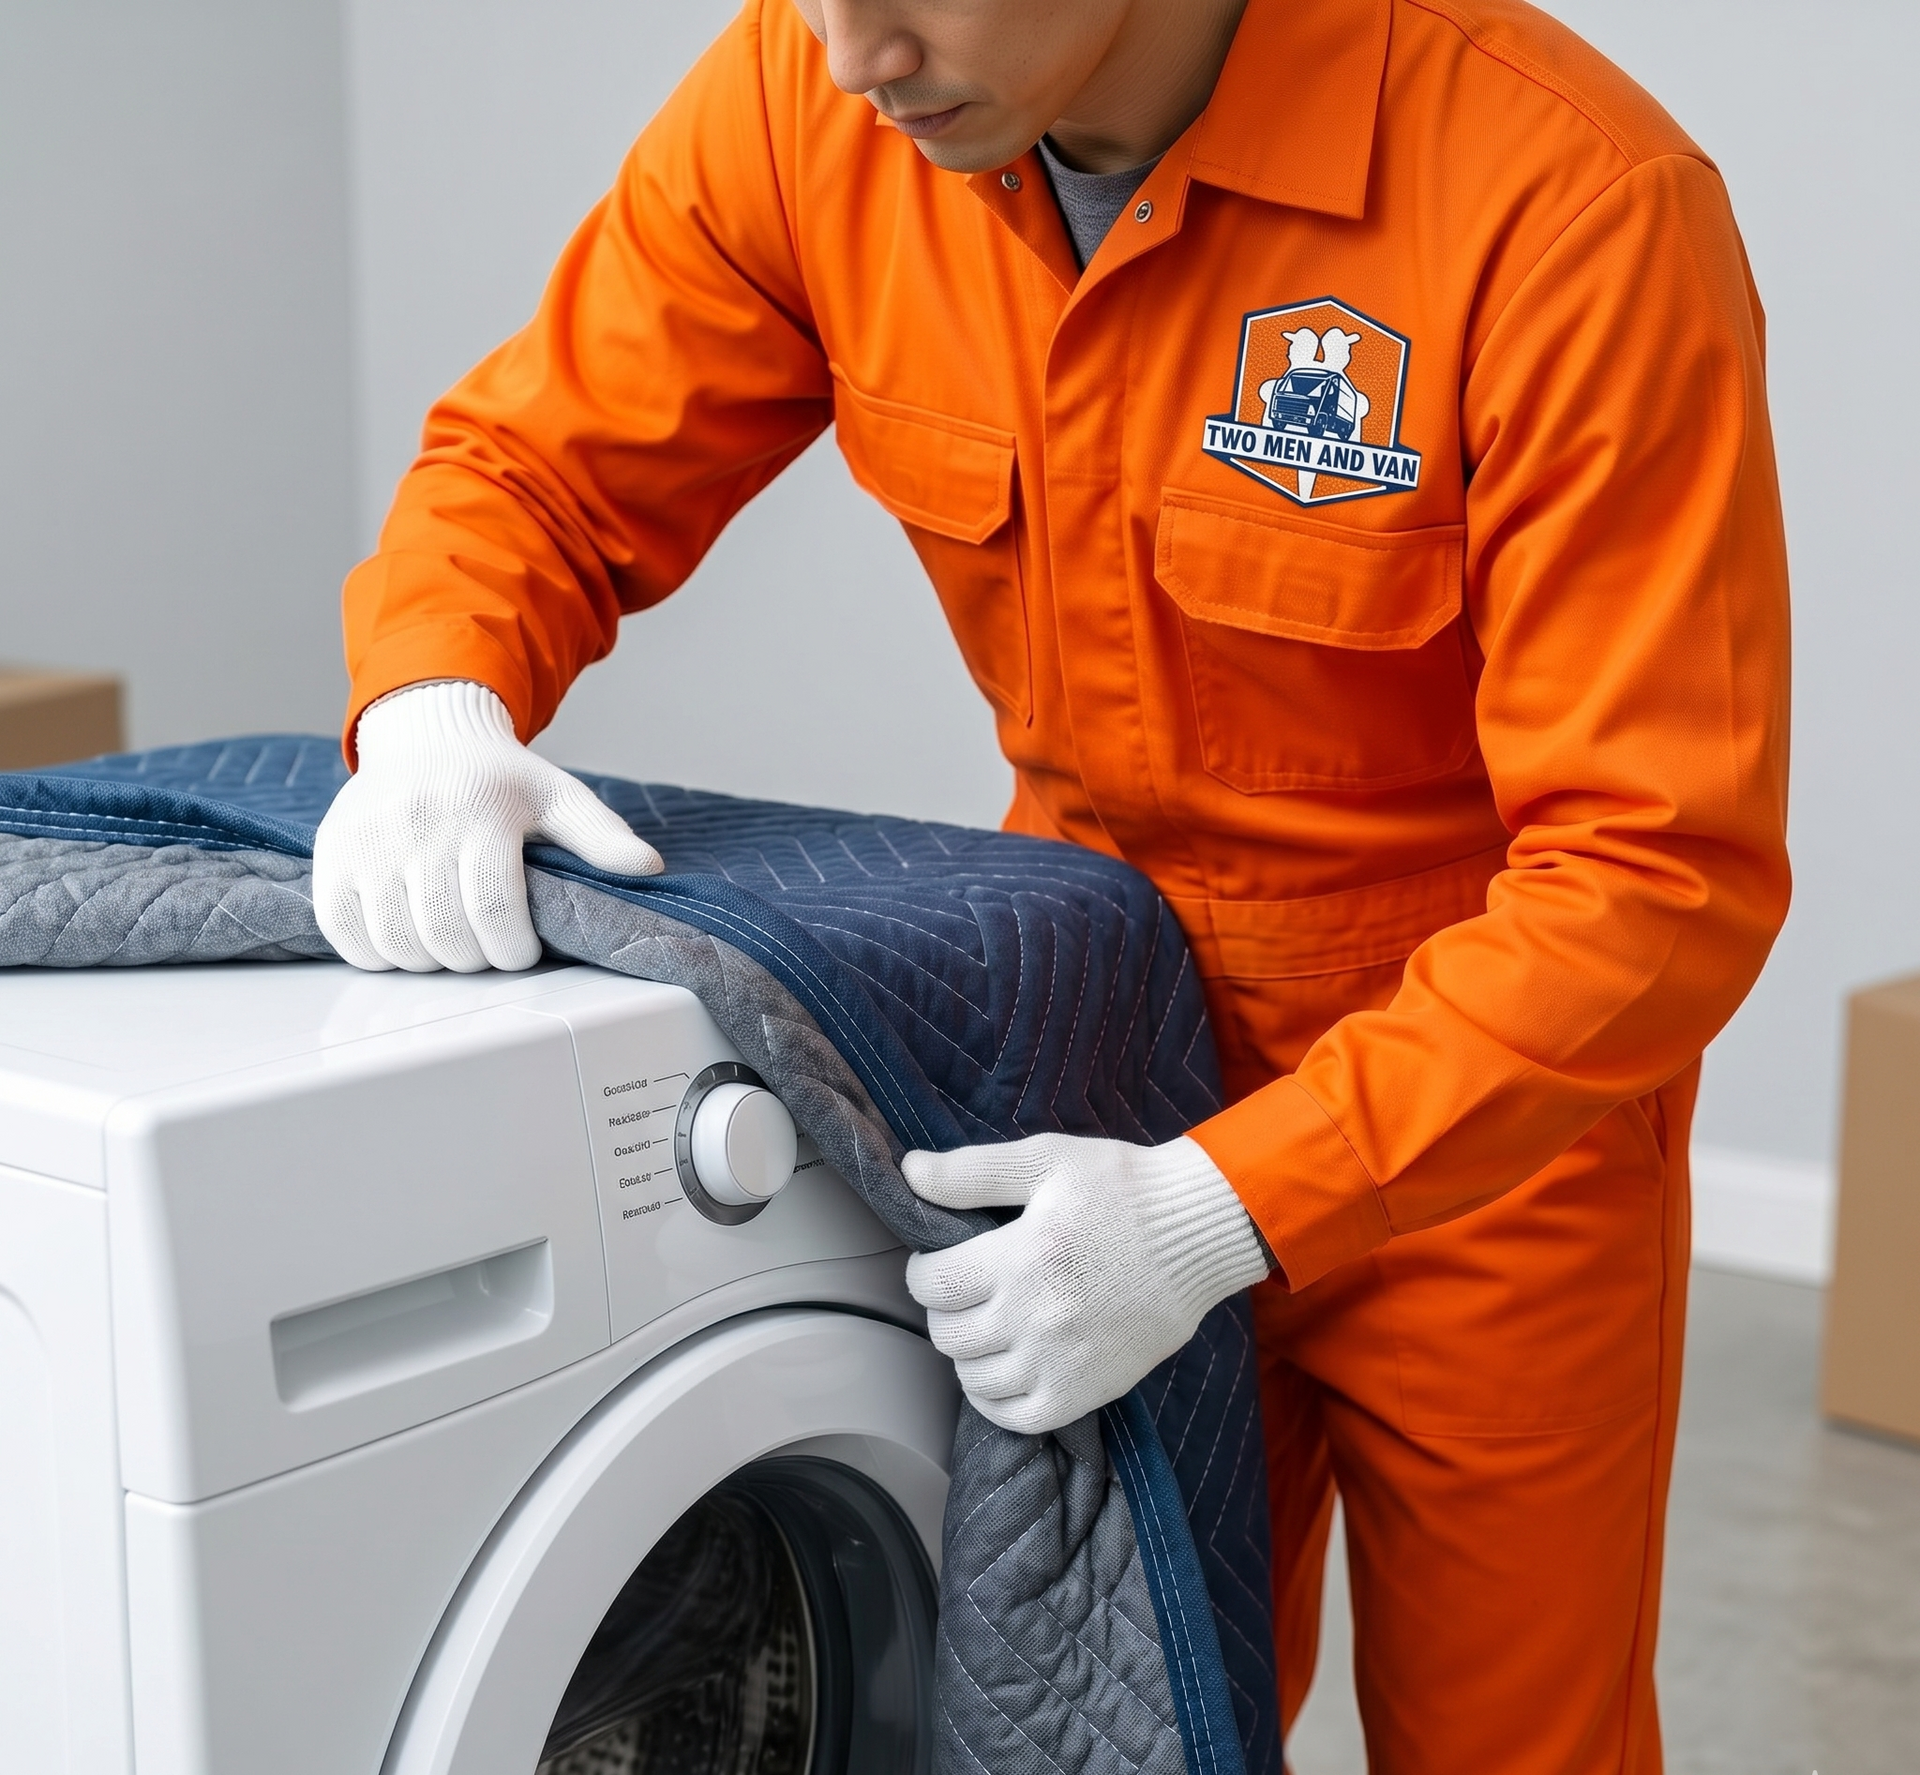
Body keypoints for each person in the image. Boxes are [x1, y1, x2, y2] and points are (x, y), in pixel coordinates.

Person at [312, 1, 1792, 1768]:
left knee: (1512, 1741)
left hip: (1483, 1111)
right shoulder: (816, 96)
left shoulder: (1566, 200)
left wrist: (1216, 1211)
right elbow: (537, 463)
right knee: (1112, 1712)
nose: (859, 57)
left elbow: (1654, 871)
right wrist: (432, 702)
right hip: (1084, 1039)